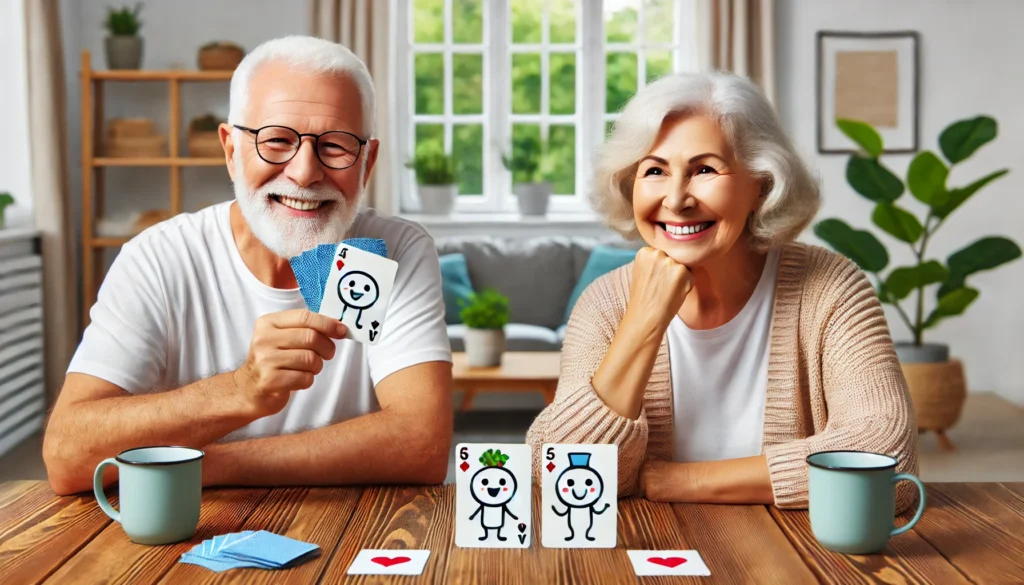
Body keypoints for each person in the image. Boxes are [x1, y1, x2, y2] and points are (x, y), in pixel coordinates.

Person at [43, 36, 453, 495]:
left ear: (368, 162)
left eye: (336, 146)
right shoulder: (157, 257)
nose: (304, 172)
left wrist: (204, 466)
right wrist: (240, 389)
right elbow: (67, 456)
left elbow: (422, 445)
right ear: (231, 150)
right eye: (276, 141)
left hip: (349, 538)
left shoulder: (395, 249)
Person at [526, 71, 919, 512]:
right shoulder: (604, 303)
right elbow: (557, 469)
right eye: (654, 170)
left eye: (704, 170)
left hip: (792, 562)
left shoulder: (829, 288)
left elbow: (887, 456)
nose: (676, 200)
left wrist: (679, 480)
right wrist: (643, 320)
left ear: (761, 184)